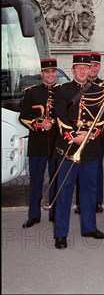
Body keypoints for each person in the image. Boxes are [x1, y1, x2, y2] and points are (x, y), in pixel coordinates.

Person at [52, 53, 104, 249]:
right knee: (64, 191)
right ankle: (61, 234)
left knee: (89, 189)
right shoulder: (62, 90)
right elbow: (59, 115)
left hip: (90, 147)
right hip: (69, 145)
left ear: (91, 69)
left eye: (87, 68)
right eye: (79, 68)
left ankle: (89, 227)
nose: (83, 71)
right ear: (73, 70)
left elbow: (103, 119)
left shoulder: (99, 91)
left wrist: (89, 135)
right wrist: (73, 135)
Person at [19, 58, 60, 227]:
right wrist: (39, 124)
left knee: (55, 180)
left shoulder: (63, 91)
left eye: (53, 71)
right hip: (37, 143)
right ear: (42, 74)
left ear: (56, 73)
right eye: (47, 72)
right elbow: (23, 117)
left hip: (57, 143)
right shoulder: (31, 92)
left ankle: (55, 213)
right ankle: (34, 215)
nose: (50, 75)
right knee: (36, 180)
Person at [74, 52, 104, 215]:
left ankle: (97, 200)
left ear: (98, 67)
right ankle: (81, 202)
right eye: (88, 65)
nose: (91, 68)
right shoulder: (72, 87)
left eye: (94, 65)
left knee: (97, 168)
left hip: (97, 135)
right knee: (79, 166)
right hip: (78, 135)